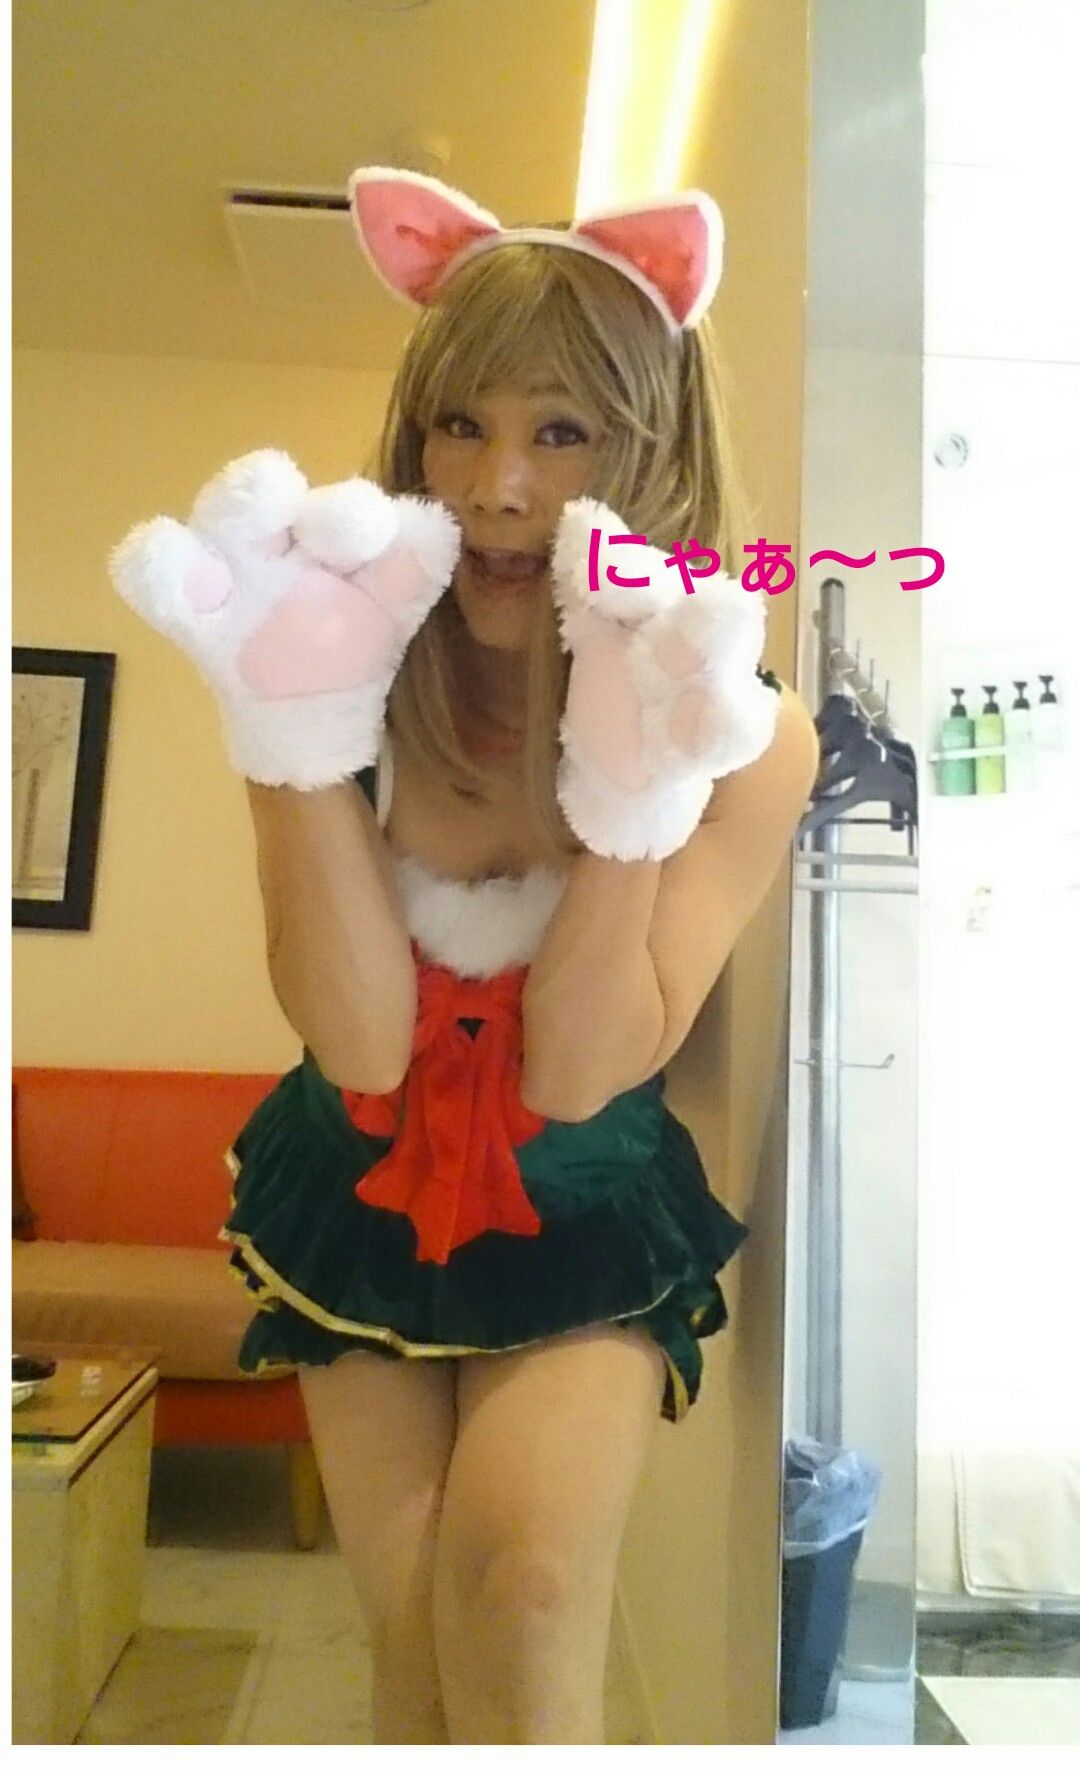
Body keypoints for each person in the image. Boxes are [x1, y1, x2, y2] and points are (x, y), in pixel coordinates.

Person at [109, 166, 820, 1745]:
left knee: (525, 1589)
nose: (499, 485)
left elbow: (581, 1072)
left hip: (583, 1198)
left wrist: (632, 786)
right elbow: (361, 1042)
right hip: (355, 1180)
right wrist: (293, 735)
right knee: (417, 1623)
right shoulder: (330, 655)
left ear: (654, 451)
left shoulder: (745, 736)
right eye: (459, 424)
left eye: (564, 432)